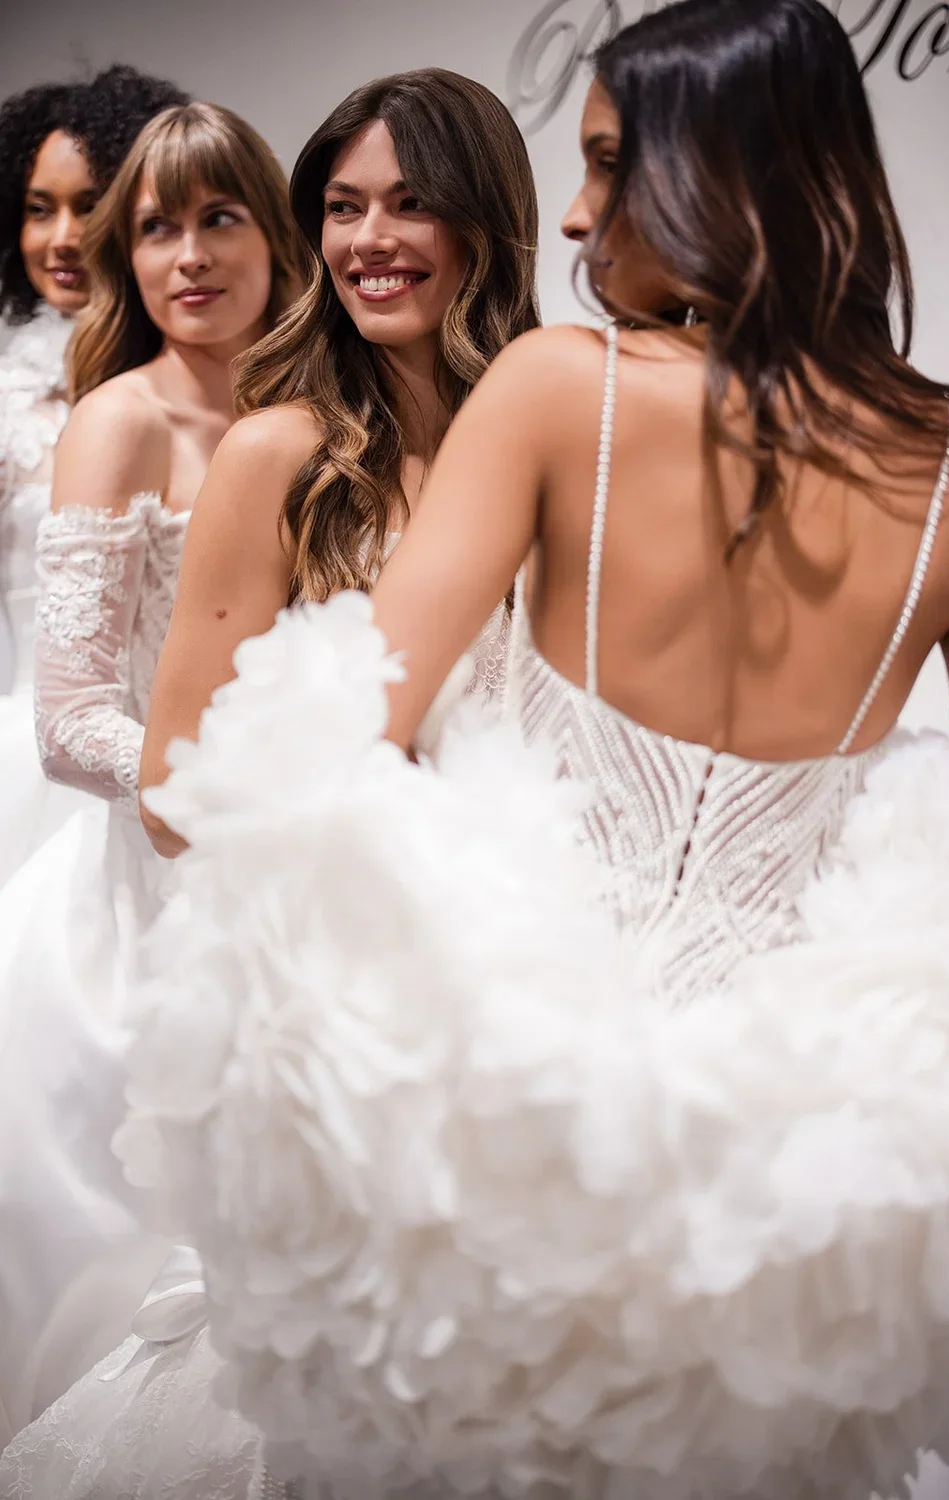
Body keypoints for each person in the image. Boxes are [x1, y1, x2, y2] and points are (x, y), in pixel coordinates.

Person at [63, 1, 949, 1497]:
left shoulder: (567, 389)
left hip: (518, 1092)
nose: (579, 213)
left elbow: (339, 734)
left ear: (727, 170)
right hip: (792, 1162)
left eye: (613, 165)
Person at [0, 67, 539, 1495]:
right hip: (245, 907)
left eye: (409, 202)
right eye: (346, 205)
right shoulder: (254, 445)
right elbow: (138, 748)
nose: (186, 259)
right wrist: (341, 843)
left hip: (508, 949)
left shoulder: (539, 428)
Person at [0, 98, 303, 1445]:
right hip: (139, 890)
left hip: (303, 883)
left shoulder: (320, 412)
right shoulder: (113, 423)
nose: (188, 256)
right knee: (129, 1252)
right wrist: (229, 802)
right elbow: (68, 723)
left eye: (219, 218)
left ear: (273, 236)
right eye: (158, 228)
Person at [138, 66, 539, 858]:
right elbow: (168, 793)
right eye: (342, 209)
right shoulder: (273, 456)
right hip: (350, 934)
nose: (369, 239)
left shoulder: (556, 450)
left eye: (412, 202)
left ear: (486, 219)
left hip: (542, 927)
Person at [0, 65, 189, 889]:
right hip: (30, 763)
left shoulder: (208, 385)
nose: (62, 237)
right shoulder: (8, 400)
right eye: (40, 208)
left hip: (183, 752)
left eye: (90, 204)